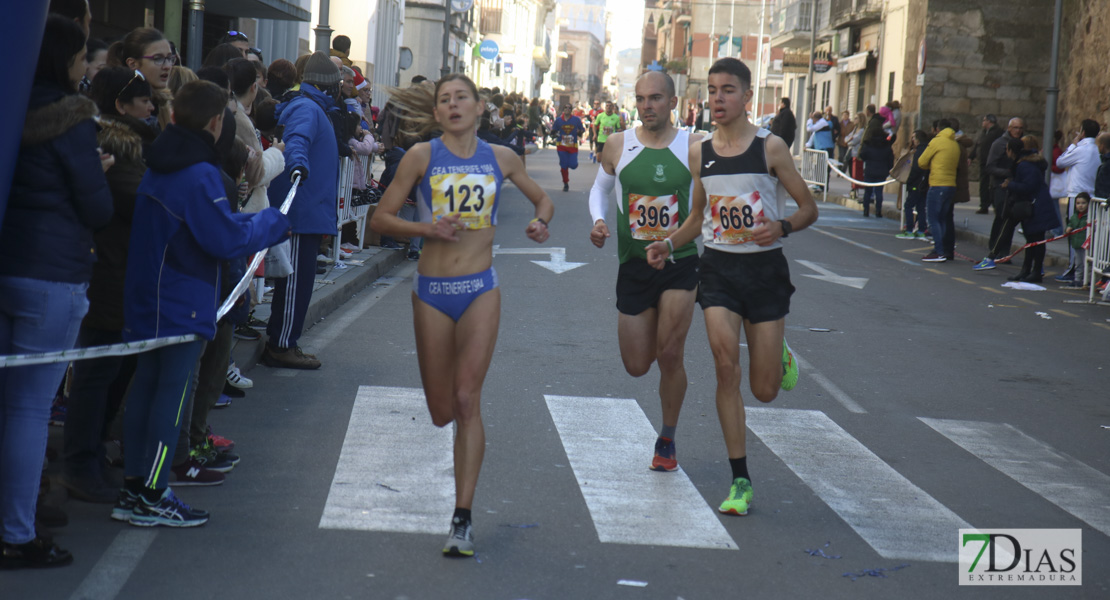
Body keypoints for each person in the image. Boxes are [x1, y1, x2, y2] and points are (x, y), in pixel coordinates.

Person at [368, 74, 553, 557]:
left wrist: (540, 222)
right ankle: (460, 507)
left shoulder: (502, 158)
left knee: (468, 400)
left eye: (461, 98)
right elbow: (379, 219)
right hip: (431, 292)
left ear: (478, 107)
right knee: (441, 412)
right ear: (436, 113)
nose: (453, 105)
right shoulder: (421, 157)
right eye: (444, 100)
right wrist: (426, 227)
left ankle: (462, 518)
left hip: (480, 289)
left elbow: (542, 199)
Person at [645, 58, 817, 517]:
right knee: (725, 367)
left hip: (764, 273)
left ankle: (777, 350)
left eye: (727, 91)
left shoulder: (772, 147)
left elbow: (808, 208)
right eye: (712, 91)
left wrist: (781, 227)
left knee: (763, 390)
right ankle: (740, 478)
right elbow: (698, 217)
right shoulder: (701, 152)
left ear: (746, 96)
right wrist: (667, 241)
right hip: (718, 269)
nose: (717, 99)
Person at [115, 80, 290, 528]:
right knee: (170, 402)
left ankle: (136, 487)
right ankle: (153, 493)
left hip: (147, 295)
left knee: (146, 394)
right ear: (216, 123)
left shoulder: (161, 162)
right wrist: (271, 223)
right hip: (181, 299)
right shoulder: (201, 173)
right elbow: (223, 237)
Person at [0, 15, 113, 568]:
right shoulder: (71, 120)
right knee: (28, 409)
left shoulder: (9, 102)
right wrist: (100, 168)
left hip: (8, 263)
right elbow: (97, 206)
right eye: (80, 58)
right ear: (64, 62)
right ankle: (17, 532)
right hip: (53, 273)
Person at [587, 71, 702, 472]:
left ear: (673, 102)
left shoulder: (694, 146)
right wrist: (598, 221)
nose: (646, 105)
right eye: (640, 99)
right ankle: (656, 334)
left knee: (670, 354)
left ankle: (666, 439)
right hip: (634, 265)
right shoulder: (619, 144)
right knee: (637, 364)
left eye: (655, 98)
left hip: (679, 262)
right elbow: (599, 189)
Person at [261, 52, 342, 370]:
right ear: (328, 87)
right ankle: (281, 345)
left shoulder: (307, 106)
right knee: (295, 283)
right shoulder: (308, 108)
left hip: (305, 207)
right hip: (300, 209)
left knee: (296, 282)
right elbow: (297, 142)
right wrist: (298, 166)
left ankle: (283, 341)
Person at [1002, 136, 1061, 282]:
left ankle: (1035, 271)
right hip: (1033, 206)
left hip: (1036, 206)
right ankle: (1026, 270)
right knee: (1031, 241)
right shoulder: (1024, 164)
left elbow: (1029, 186)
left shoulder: (1025, 165)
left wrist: (1010, 185)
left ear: (1010, 151)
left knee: (1037, 241)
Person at [974, 117, 1025, 270]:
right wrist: (1008, 173)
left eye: (1020, 128)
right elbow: (989, 167)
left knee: (1009, 220)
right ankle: (994, 250)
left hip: (1015, 188)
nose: (1018, 131)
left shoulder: (1021, 144)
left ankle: (1004, 252)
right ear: (1009, 128)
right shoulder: (999, 144)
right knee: (1001, 218)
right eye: (1015, 128)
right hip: (1000, 187)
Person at [1055, 119, 1100, 280]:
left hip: (1077, 196)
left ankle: (1073, 269)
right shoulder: (1096, 149)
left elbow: (1060, 162)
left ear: (1082, 132)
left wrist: (1073, 144)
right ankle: (1083, 270)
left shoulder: (1081, 149)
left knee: (1074, 233)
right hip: (1092, 197)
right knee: (1086, 235)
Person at [917, 118, 960, 262]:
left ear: (937, 129)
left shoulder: (937, 141)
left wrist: (931, 166)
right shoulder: (954, 143)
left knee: (933, 219)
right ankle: (943, 250)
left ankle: (939, 251)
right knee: (942, 219)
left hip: (937, 184)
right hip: (951, 184)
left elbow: (922, 161)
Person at [896, 130, 931, 239]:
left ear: (918, 139)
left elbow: (916, 168)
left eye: (914, 138)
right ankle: (921, 230)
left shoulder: (918, 152)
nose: (912, 140)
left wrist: (909, 180)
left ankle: (909, 230)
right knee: (921, 207)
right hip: (925, 183)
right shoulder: (928, 149)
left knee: (908, 205)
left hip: (916, 183)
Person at [858, 111, 893, 218]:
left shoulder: (869, 144)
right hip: (882, 170)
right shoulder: (886, 146)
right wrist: (888, 169)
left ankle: (866, 210)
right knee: (879, 192)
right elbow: (890, 159)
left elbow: (863, 155)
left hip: (870, 170)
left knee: (868, 191)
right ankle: (878, 211)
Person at [971, 114, 1003, 214]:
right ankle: (984, 205)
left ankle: (995, 204)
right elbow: (978, 145)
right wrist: (971, 157)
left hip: (993, 162)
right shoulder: (984, 132)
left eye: (984, 120)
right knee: (983, 184)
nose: (983, 122)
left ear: (989, 121)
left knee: (993, 184)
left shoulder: (998, 132)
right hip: (983, 161)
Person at [552, 103, 586, 192]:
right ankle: (565, 183)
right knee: (564, 165)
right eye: (565, 107)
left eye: (569, 108)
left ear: (571, 110)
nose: (567, 109)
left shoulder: (576, 120)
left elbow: (582, 130)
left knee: (573, 165)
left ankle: (573, 164)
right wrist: (554, 134)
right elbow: (553, 131)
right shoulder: (558, 120)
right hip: (561, 146)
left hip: (572, 146)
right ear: (563, 109)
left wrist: (579, 132)